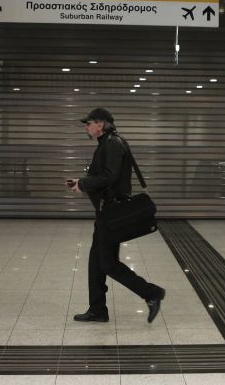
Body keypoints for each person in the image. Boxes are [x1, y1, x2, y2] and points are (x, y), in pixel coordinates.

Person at [66, 107, 166, 323]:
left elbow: (110, 177)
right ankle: (97, 310)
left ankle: (151, 293)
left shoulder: (112, 144)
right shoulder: (107, 143)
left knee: (107, 263)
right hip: (105, 212)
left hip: (111, 213)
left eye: (88, 123)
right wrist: (81, 182)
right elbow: (103, 176)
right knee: (96, 263)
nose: (86, 127)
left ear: (100, 124)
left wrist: (83, 183)